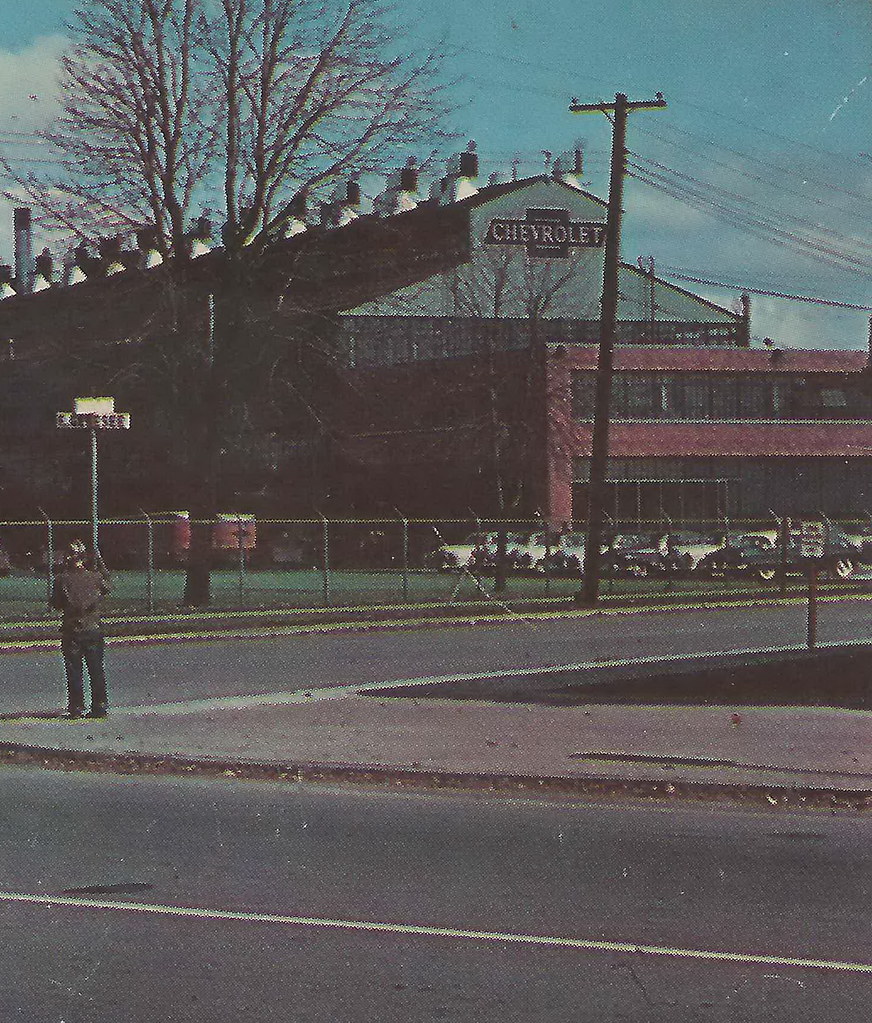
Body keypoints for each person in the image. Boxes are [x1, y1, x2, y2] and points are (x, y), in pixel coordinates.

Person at [51, 540, 111, 719]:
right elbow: (108, 586)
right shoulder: (95, 578)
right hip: (93, 628)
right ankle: (100, 706)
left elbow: (56, 603)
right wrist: (100, 563)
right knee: (96, 669)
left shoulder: (62, 579)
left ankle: (76, 707)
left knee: (74, 669)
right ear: (84, 558)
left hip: (72, 629)